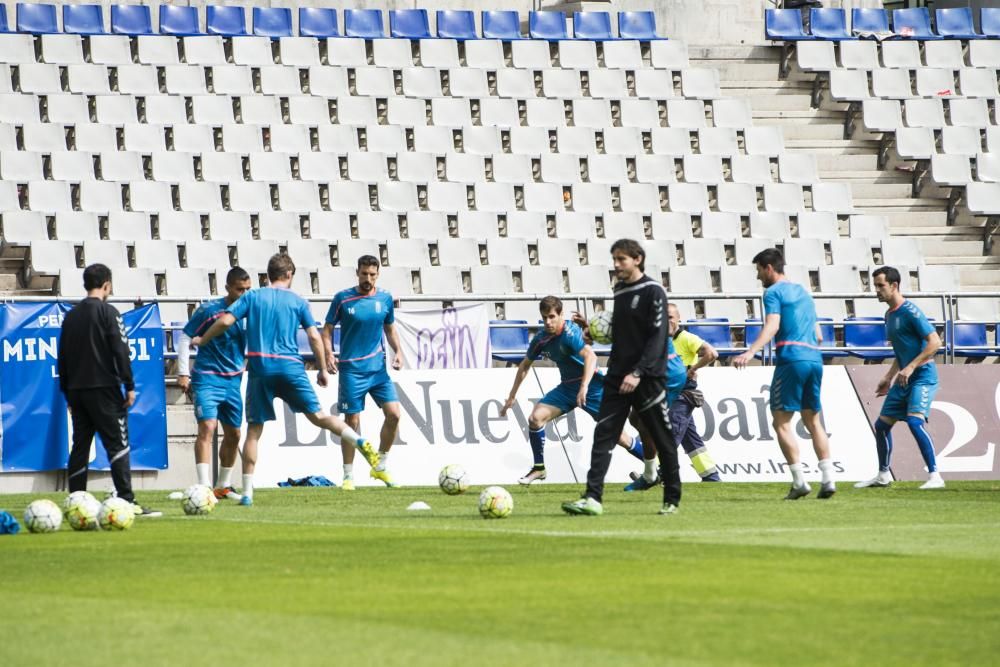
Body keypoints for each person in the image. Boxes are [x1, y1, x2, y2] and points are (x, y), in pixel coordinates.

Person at [193, 253, 378, 506]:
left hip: (261, 369)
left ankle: (247, 493)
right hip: (291, 368)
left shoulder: (253, 296)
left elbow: (225, 320)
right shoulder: (299, 301)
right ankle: (358, 440)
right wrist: (323, 369)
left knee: (254, 432)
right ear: (289, 274)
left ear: (268, 275)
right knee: (320, 418)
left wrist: (203, 340)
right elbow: (314, 337)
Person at [562, 239, 682, 516]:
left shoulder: (653, 291)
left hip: (647, 378)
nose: (616, 265)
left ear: (638, 259)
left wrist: (639, 372)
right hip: (617, 376)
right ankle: (592, 498)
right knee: (604, 433)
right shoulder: (621, 290)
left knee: (661, 438)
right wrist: (595, 332)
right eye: (614, 259)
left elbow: (657, 336)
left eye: (621, 260)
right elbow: (625, 332)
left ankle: (671, 499)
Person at [501, 296, 645, 486]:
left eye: (552, 316)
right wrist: (512, 396)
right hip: (568, 387)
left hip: (593, 388)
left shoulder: (569, 333)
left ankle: (657, 467)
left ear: (561, 314)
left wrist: (584, 386)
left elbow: (591, 357)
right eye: (544, 318)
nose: (548, 322)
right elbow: (525, 365)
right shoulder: (541, 338)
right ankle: (538, 468)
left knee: (620, 437)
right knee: (535, 419)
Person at [57, 263, 160, 517]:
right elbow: (120, 349)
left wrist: (68, 393)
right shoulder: (108, 312)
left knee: (80, 446)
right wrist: (130, 385)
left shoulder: (71, 316)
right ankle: (127, 499)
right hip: (105, 389)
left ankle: (77, 502)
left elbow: (62, 358)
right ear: (107, 285)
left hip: (77, 390)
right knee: (118, 445)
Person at [733, 248, 835, 500]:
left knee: (781, 422)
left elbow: (773, 325)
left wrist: (750, 351)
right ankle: (828, 478)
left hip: (791, 359)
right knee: (813, 421)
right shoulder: (804, 292)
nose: (758, 277)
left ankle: (800, 481)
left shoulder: (772, 292)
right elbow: (819, 335)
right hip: (814, 359)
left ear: (768, 268)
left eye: (758, 271)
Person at [855, 266, 944, 490]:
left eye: (880, 286)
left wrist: (912, 367)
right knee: (882, 426)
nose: (876, 290)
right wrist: (888, 376)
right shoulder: (889, 314)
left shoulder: (911, 312)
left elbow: (935, 342)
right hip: (904, 377)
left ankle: (935, 476)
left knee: (915, 422)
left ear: (894, 286)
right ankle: (883, 475)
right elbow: (902, 350)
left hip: (923, 375)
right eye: (874, 286)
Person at [322, 255, 404, 490]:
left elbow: (389, 328)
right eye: (364, 274)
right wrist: (329, 353)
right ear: (357, 272)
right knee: (352, 421)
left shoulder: (385, 298)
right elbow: (326, 330)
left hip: (378, 370)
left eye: (372, 274)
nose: (368, 278)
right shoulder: (343, 298)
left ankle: (380, 466)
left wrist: (398, 351)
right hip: (351, 371)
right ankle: (348, 475)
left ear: (378, 274)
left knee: (394, 415)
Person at [177, 267, 253, 500]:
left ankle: (223, 485)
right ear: (228, 288)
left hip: (233, 380)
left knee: (235, 434)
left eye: (248, 289)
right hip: (207, 378)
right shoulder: (209, 310)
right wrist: (183, 372)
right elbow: (185, 336)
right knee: (207, 428)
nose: (244, 294)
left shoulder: (251, 310)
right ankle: (203, 487)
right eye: (240, 289)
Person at [621, 308, 706, 491]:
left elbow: (711, 353)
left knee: (664, 433)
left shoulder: (685, 338)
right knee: (690, 440)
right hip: (665, 380)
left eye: (671, 317)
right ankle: (711, 476)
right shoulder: (658, 335)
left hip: (680, 389)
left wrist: (692, 369)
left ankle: (661, 475)